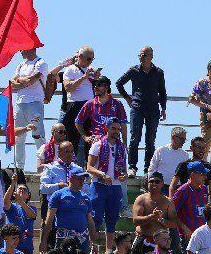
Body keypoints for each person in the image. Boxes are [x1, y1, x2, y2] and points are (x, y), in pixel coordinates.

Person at [117, 45, 168, 176]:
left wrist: (163, 108)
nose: (141, 57)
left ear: (151, 56)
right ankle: (132, 167)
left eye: (144, 55)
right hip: (137, 108)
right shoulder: (133, 70)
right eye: (140, 55)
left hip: (153, 109)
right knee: (134, 138)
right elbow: (119, 83)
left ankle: (147, 169)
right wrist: (128, 98)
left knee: (150, 140)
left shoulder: (158, 72)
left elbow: (162, 92)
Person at [86, 118, 127, 248]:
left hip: (115, 187)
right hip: (99, 185)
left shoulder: (122, 148)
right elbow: (89, 167)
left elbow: (124, 170)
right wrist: (103, 175)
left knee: (112, 219)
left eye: (118, 129)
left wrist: (124, 176)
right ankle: (92, 247)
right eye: (113, 128)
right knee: (96, 218)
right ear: (106, 128)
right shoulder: (98, 145)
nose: (116, 131)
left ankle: (109, 250)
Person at [40, 168, 96, 254]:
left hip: (82, 239)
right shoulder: (58, 195)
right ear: (70, 178)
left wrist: (94, 243)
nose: (81, 182)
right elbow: (49, 220)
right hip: (64, 238)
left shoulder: (86, 197)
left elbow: (90, 221)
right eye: (79, 179)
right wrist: (44, 242)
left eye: (83, 179)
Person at [10, 47, 49, 169]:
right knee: (18, 135)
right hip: (20, 103)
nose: (20, 52)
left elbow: (32, 80)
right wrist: (23, 81)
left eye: (23, 49)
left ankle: (43, 165)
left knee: (38, 134)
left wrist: (20, 81)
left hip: (35, 102)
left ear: (30, 49)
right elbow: (12, 82)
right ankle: (19, 166)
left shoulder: (41, 63)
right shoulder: (21, 64)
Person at [57, 46, 99, 152]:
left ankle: (88, 165)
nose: (90, 62)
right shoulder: (71, 69)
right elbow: (68, 87)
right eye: (88, 59)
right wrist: (84, 77)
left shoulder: (91, 70)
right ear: (80, 56)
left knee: (90, 137)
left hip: (90, 106)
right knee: (72, 138)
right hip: (75, 105)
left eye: (92, 59)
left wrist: (97, 79)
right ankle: (70, 164)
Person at [130, 171, 180, 254]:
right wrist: (151, 216)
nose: (154, 184)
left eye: (157, 182)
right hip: (143, 239)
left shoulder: (168, 201)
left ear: (162, 184)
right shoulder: (141, 199)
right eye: (151, 181)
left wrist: (162, 221)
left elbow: (174, 223)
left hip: (161, 242)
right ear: (147, 183)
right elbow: (136, 220)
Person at [76, 76, 128, 156]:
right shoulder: (90, 104)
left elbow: (123, 125)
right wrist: (85, 137)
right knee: (93, 167)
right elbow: (78, 122)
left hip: (113, 141)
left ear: (106, 87)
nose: (95, 87)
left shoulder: (117, 104)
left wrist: (124, 145)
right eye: (94, 85)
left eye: (99, 85)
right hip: (96, 141)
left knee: (113, 167)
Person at [4, 171, 38, 254]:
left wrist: (21, 202)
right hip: (11, 246)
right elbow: (5, 202)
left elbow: (32, 215)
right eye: (20, 189)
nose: (22, 190)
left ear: (28, 195)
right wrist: (13, 184)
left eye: (25, 190)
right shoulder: (12, 207)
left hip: (26, 246)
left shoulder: (31, 208)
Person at [171, 160, 211, 246]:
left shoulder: (204, 189)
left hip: (203, 237)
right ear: (193, 175)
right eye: (202, 174)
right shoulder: (182, 190)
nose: (205, 177)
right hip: (188, 238)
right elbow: (171, 214)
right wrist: (184, 228)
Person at [148, 127, 188, 193]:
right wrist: (152, 185)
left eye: (184, 140)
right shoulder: (161, 150)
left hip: (177, 189)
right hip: (160, 188)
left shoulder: (185, 155)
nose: (183, 142)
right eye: (181, 139)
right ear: (173, 137)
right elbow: (152, 168)